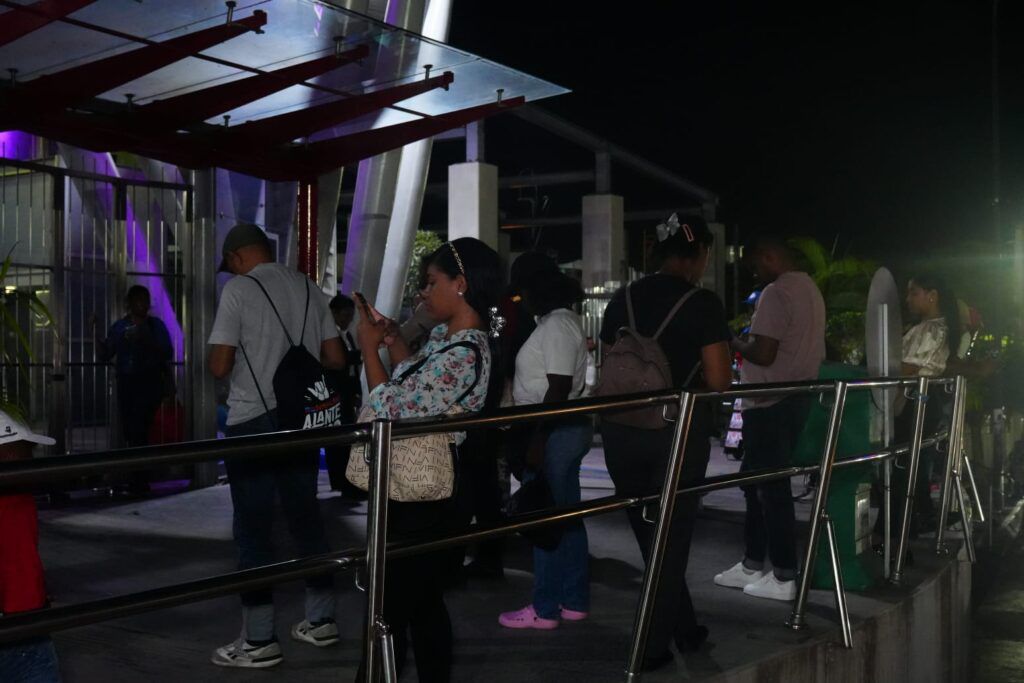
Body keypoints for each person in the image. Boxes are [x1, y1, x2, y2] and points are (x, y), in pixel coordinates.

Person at [354, 237, 503, 682]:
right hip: (427, 492)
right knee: (421, 603)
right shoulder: (446, 339)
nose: (423, 292)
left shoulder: (464, 353)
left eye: (431, 282)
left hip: (430, 496)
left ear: (460, 284)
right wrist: (394, 340)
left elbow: (391, 408)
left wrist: (368, 350)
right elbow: (415, 385)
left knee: (393, 606)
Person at [206, 223, 346, 669]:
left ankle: (259, 640)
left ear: (236, 257)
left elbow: (219, 365)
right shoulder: (307, 286)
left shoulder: (239, 290)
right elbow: (336, 358)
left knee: (253, 529)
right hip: (298, 420)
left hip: (252, 420)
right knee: (306, 518)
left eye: (230, 264)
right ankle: (321, 620)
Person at [599, 215, 732, 670]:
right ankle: (651, 648)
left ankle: (685, 627)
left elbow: (610, 366)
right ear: (698, 255)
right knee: (671, 540)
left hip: (619, 428)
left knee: (650, 533)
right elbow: (719, 380)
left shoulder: (621, 299)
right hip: (675, 431)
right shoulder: (703, 303)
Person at [714, 234, 825, 602]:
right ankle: (751, 563)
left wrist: (733, 340)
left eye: (755, 266)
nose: (754, 274)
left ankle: (783, 574)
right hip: (794, 397)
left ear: (769, 256)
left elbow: (763, 353)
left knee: (770, 488)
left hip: (769, 402)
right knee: (754, 483)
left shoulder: (777, 292)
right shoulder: (810, 289)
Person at [498, 267, 593, 629]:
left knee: (543, 517)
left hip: (553, 431)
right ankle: (573, 600)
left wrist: (538, 438)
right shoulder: (562, 322)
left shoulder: (556, 325)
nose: (521, 301)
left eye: (523, 293)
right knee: (566, 517)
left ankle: (545, 607)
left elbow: (558, 386)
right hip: (563, 429)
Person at [0, 409, 62, 683]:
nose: (33, 462)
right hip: (26, 622)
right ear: (10, 457)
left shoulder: (21, 498)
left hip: (28, 616)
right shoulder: (19, 498)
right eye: (27, 452)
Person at [94, 285, 172, 448]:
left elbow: (167, 352)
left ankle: (143, 460)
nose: (143, 304)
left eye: (146, 300)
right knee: (132, 431)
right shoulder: (120, 327)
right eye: (139, 300)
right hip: (128, 386)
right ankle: (138, 459)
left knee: (148, 431)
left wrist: (147, 339)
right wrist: (94, 332)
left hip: (151, 385)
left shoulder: (156, 326)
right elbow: (104, 354)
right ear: (129, 303)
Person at [324, 294, 365, 498]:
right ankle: (345, 483)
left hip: (345, 393)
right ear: (334, 313)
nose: (348, 319)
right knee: (341, 440)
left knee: (344, 438)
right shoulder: (330, 337)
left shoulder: (345, 335)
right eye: (345, 315)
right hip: (336, 393)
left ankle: (344, 482)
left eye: (350, 315)